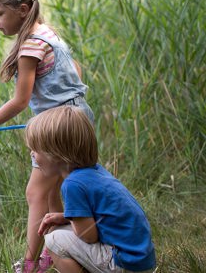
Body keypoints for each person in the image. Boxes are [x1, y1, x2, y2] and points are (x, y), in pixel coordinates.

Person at [0, 0, 94, 272]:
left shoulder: (30, 47)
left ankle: (32, 264)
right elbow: (75, 70)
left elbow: (20, 101)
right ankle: (59, 249)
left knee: (35, 193)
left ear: (22, 10)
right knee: (56, 190)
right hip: (78, 118)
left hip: (56, 129)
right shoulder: (49, 34)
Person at [25, 106, 156, 273]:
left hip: (123, 263)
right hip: (141, 260)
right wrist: (65, 217)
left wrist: (70, 221)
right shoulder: (93, 173)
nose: (32, 154)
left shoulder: (72, 185)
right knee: (59, 229)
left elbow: (89, 236)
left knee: (54, 240)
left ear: (56, 154)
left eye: (36, 150)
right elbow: (98, 219)